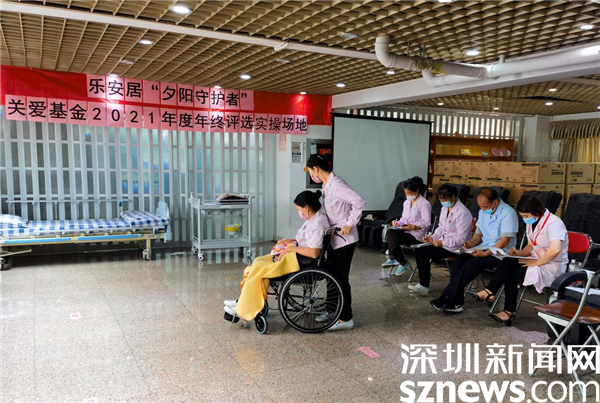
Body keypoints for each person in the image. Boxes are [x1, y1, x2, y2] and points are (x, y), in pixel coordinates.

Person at [224, 190, 330, 321]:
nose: (299, 212)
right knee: (258, 262)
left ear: (306, 207)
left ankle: (243, 307)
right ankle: (242, 301)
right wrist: (288, 244)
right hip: (297, 257)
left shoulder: (317, 223)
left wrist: (290, 248)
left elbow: (314, 252)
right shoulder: (315, 218)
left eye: (299, 209)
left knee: (259, 269)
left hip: (300, 262)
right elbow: (306, 241)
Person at [475, 196, 569, 325]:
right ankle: (491, 292)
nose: (525, 219)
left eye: (526, 216)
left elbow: (555, 250)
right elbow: (531, 245)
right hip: (535, 259)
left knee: (511, 274)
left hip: (551, 265)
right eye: (522, 216)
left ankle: (506, 308)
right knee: (508, 260)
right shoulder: (533, 221)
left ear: (536, 211)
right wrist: (520, 253)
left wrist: (536, 263)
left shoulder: (554, 223)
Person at [430, 187, 518, 313]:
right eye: (480, 206)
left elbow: (505, 241)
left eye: (484, 207)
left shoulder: (508, 213)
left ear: (495, 202)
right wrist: (470, 244)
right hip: (482, 248)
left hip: (499, 252)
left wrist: (486, 253)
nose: (482, 209)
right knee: (458, 262)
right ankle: (456, 301)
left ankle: (447, 297)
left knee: (473, 264)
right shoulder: (483, 211)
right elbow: (478, 234)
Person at [306, 153, 365, 331]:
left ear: (316, 169)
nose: (311, 174)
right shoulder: (326, 185)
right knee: (331, 274)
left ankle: (346, 318)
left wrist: (349, 223)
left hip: (345, 239)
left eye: (310, 171)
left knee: (340, 277)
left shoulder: (337, 184)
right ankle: (332, 309)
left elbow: (359, 202)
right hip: (333, 237)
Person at [408, 184, 473, 296]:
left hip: (455, 247)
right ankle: (423, 285)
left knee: (423, 252)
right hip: (442, 243)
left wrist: (442, 243)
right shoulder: (444, 208)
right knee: (419, 250)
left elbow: (461, 238)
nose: (443, 202)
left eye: (445, 199)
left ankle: (424, 285)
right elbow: (441, 228)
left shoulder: (463, 213)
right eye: (441, 200)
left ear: (453, 197)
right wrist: (432, 237)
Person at [382, 176, 431, 276]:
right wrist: (398, 223)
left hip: (417, 234)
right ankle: (398, 260)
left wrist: (414, 226)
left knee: (393, 237)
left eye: (409, 193)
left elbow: (426, 222)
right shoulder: (406, 202)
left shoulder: (425, 204)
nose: (407, 195)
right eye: (406, 193)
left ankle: (397, 259)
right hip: (405, 230)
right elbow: (404, 218)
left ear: (416, 191)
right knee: (392, 231)